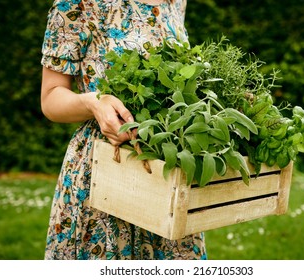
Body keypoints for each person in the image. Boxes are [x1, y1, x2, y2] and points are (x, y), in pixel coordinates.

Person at [40, 0, 207, 260]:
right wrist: (94, 102)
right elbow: (50, 98)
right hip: (105, 171)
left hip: (166, 171)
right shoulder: (77, 4)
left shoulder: (176, 2)